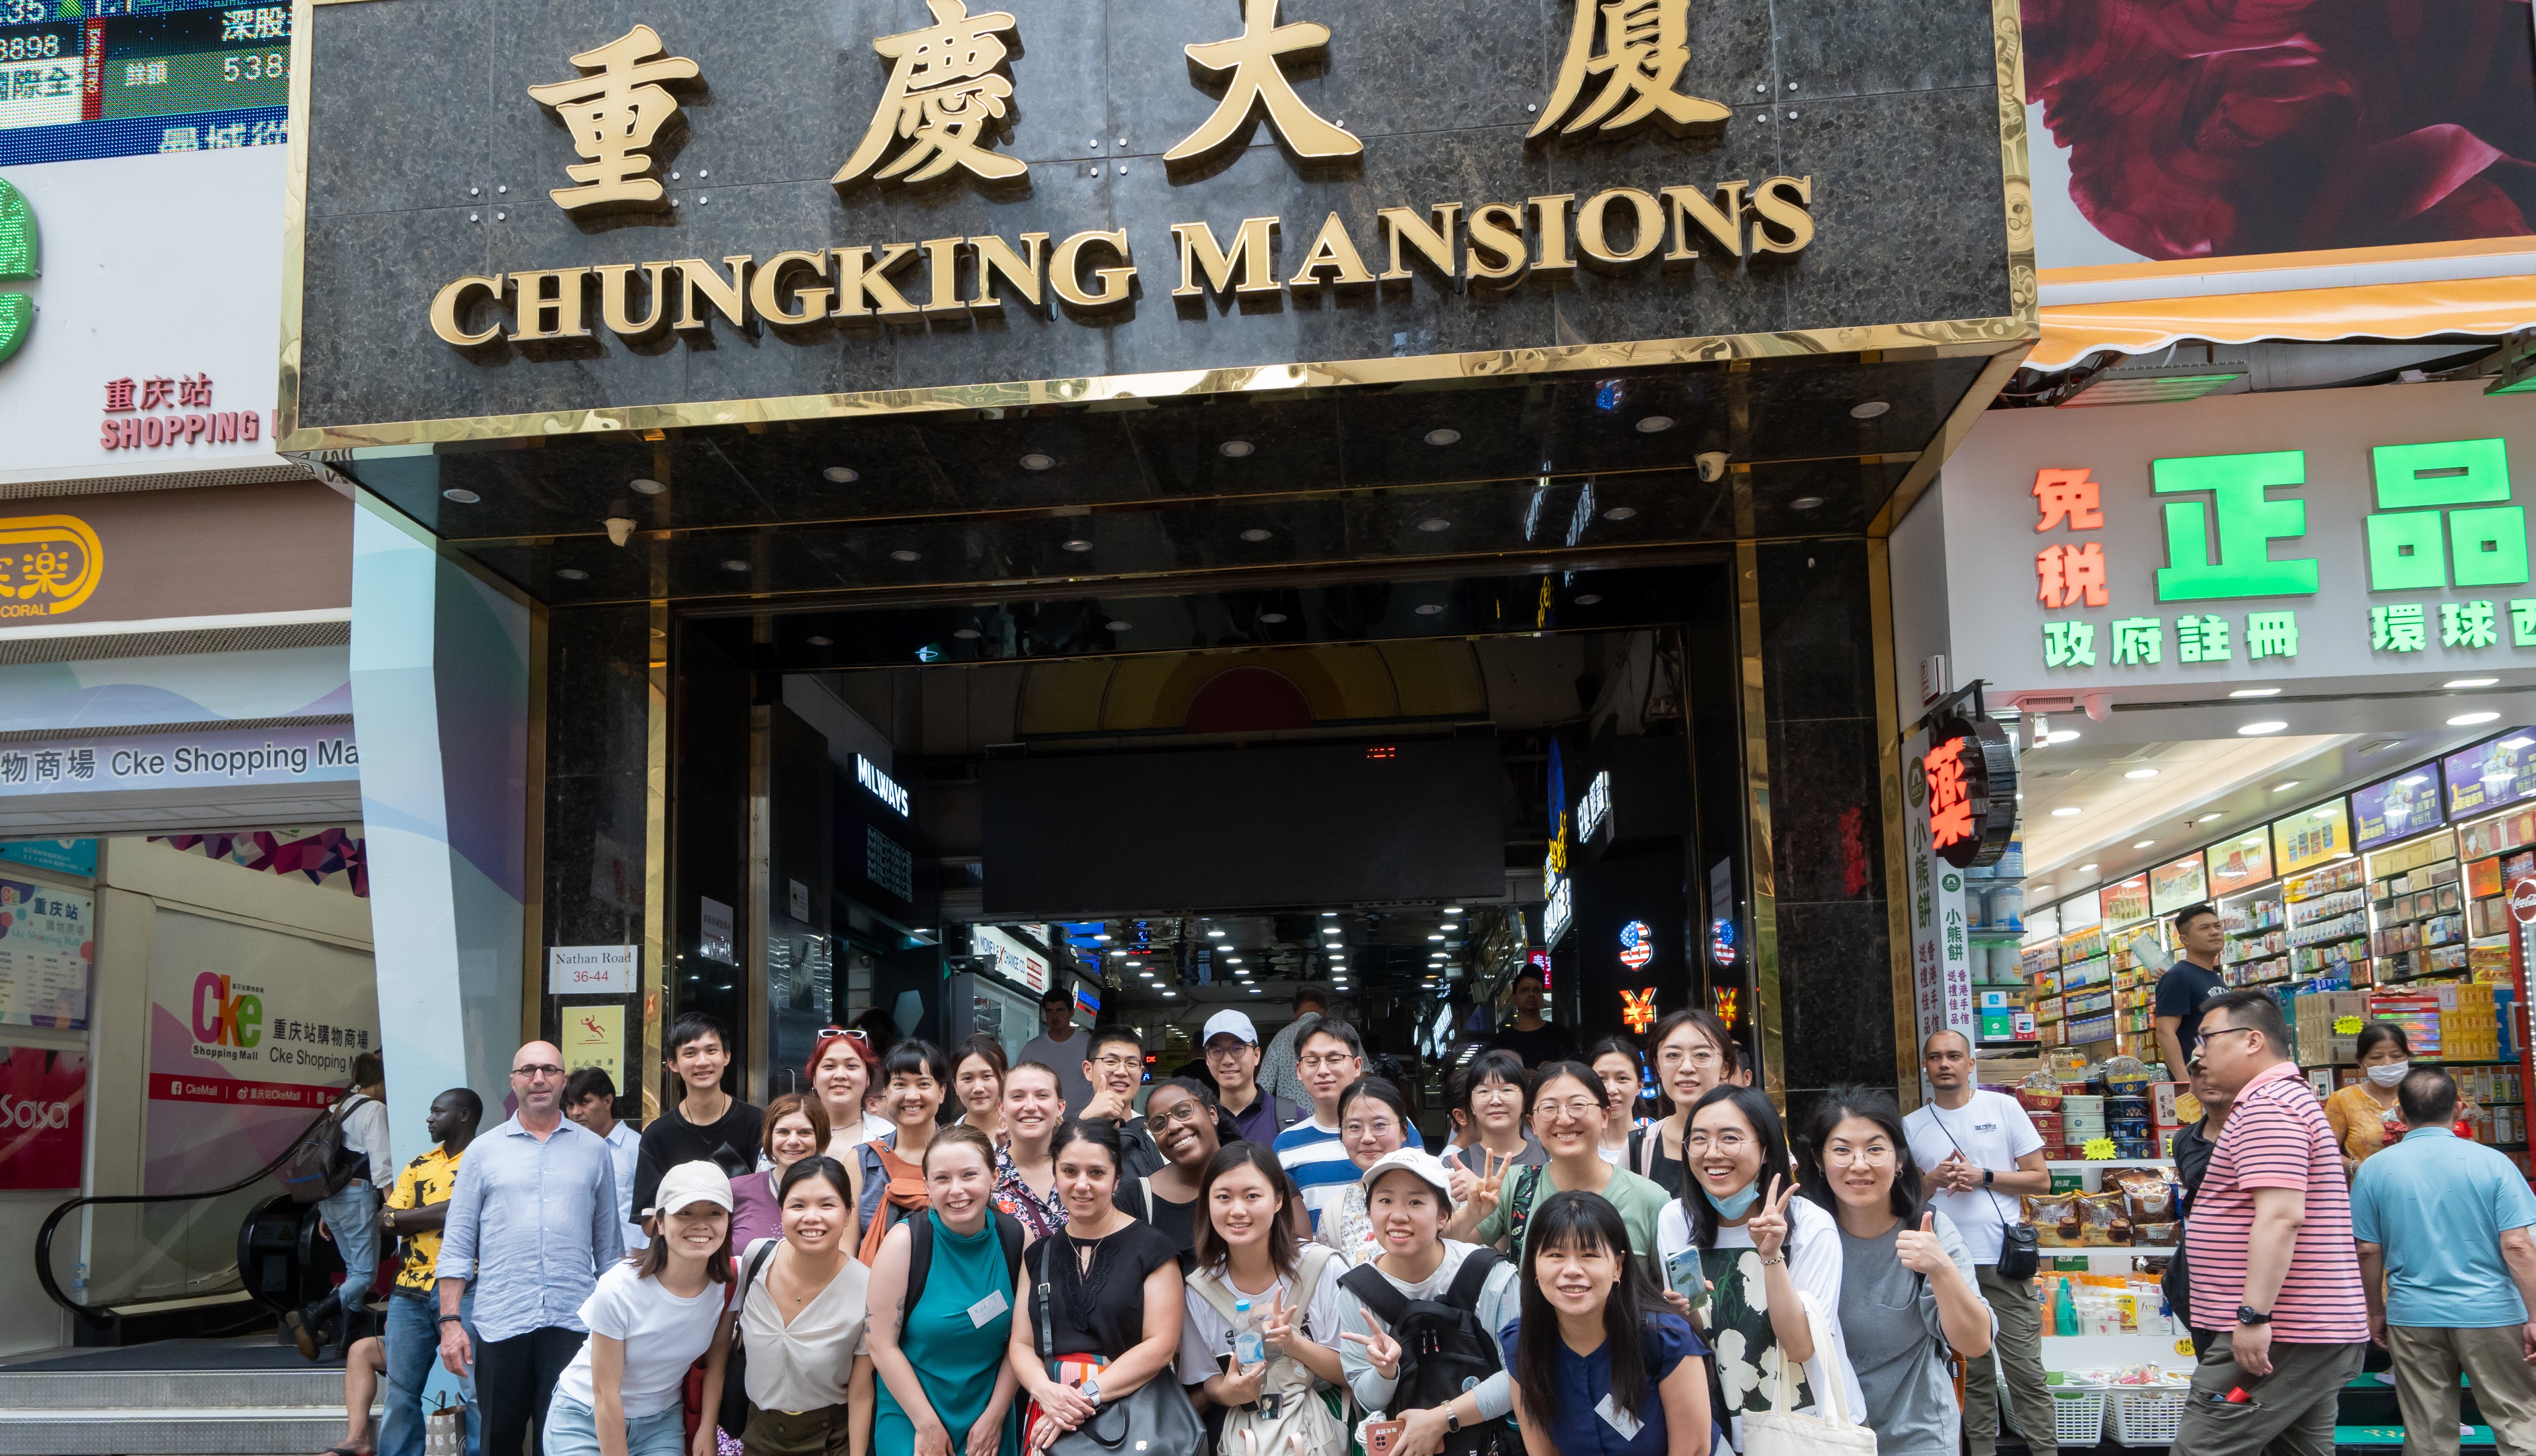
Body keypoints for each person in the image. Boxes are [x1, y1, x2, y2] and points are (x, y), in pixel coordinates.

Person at [2172, 989, 2368, 1456]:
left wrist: (2254, 1316)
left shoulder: (2269, 1107)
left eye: (2207, 1038)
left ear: (2253, 1040)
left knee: (2202, 1447)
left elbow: (2280, 1217)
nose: (2198, 1052)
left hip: (2284, 1330)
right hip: (2301, 1328)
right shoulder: (2277, 1100)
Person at [436, 1041, 626, 1456]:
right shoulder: (482, 1152)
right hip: (501, 1319)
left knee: (562, 1441)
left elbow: (610, 1250)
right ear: (513, 1081)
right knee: (498, 1440)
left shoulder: (594, 1150)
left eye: (548, 1070)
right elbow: (457, 1244)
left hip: (573, 1321)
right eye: (527, 1070)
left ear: (563, 1079)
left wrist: (621, 1325)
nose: (538, 1078)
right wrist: (450, 1323)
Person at [1654, 1084, 1860, 1452]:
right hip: (1720, 1427)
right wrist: (1681, 1312)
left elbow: (1801, 1346)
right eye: (1698, 1139)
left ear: (1766, 1150)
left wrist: (1770, 1255)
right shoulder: (1676, 1219)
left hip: (1807, 1428)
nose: (1712, 1153)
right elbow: (1700, 1335)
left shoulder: (1811, 1226)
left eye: (1730, 1138)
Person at [2352, 1067, 2536, 1456]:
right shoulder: (2495, 1163)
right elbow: (2518, 1246)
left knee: (2427, 1430)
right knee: (2517, 1419)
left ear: (2400, 1114)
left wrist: (2375, 1311)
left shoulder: (2374, 1170)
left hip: (2414, 1313)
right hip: (2493, 1313)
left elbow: (2367, 1249)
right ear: (2458, 1108)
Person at [1800, 1086, 1991, 1456]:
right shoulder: (1802, 1236)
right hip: (1824, 1438)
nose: (1859, 1164)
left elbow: (1976, 1342)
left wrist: (1941, 1268)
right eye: (1841, 1150)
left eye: (1875, 1148)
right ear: (1819, 1161)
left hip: (1917, 1438)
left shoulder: (1930, 1229)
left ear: (1900, 1158)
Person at [1900, 1027, 2053, 1456]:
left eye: (1953, 1056)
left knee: (2027, 1373)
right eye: (1935, 1057)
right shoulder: (1911, 1126)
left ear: (1971, 1064)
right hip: (1946, 1268)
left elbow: (2041, 1179)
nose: (1944, 1064)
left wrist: (1984, 1175)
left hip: (2002, 1261)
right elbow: (1905, 1199)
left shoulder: (2003, 1107)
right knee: (1974, 1374)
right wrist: (1931, 1180)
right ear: (1926, 1067)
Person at [1007, 1119, 1189, 1449]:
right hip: (1050, 1411)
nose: (1081, 1184)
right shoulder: (1039, 1253)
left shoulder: (1153, 1248)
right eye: (1070, 1171)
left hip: (1127, 1413)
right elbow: (1021, 1343)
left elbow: (1161, 1344)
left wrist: (1085, 1396)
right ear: (1055, 1174)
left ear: (1117, 1178)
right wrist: (1044, 1390)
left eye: (1096, 1172)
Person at [1335, 1147, 1525, 1455]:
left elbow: (1520, 1374)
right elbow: (1368, 1398)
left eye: (1415, 1202)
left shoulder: (1491, 1275)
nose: (1398, 1215)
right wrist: (1386, 1371)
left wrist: (1441, 1419)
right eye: (1385, 1201)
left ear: (1444, 1216)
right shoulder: (1359, 1291)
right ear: (1369, 1212)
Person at [543, 1160, 735, 1456]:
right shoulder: (619, 1288)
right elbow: (606, 1395)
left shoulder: (729, 1282)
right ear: (659, 1222)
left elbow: (717, 1363)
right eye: (685, 1212)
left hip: (661, 1424)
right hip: (585, 1418)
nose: (701, 1224)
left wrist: (707, 1430)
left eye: (714, 1213)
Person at [1505, 1189, 1714, 1456]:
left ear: (1618, 1266)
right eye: (1555, 1255)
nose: (1571, 1270)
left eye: (1589, 1255)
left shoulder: (1666, 1340)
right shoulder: (1521, 1342)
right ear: (1534, 1264)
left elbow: (1694, 1451)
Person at [868, 1124, 1027, 1456]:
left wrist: (996, 1417)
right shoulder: (906, 1242)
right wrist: (926, 1424)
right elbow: (881, 1344)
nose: (957, 1190)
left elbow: (1023, 1340)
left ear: (995, 1177)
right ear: (927, 1185)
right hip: (912, 1413)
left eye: (970, 1174)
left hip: (990, 1413)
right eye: (942, 1178)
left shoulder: (1017, 1238)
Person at [1181, 1142, 1350, 1450]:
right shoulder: (1200, 1289)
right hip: (1247, 1439)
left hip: (1321, 1429)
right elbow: (1208, 1380)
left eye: (1252, 1196)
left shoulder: (1322, 1267)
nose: (1237, 1210)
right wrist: (1229, 1393)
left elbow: (1351, 1370)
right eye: (1223, 1197)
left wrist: (1294, 1344)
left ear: (1278, 1200)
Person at [1450, 1061, 1670, 1276]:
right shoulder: (1515, 1186)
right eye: (1549, 1108)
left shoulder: (1650, 1200)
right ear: (1533, 1123)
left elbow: (1684, 1296)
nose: (1564, 1119)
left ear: (1605, 1116)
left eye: (1578, 1106)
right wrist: (1471, 1213)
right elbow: (1442, 1244)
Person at [736, 1155, 876, 1455]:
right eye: (798, 1205)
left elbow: (862, 1390)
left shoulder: (869, 1288)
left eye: (827, 1205)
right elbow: (723, 1345)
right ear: (781, 1211)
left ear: (849, 1213)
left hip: (831, 1438)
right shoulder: (756, 1258)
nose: (812, 1217)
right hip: (758, 1432)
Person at [378, 1087, 483, 1456]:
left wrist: (408, 1219)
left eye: (438, 1111)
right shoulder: (420, 1163)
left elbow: (464, 1210)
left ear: (465, 1115)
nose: (429, 1118)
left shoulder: (483, 1159)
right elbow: (384, 1220)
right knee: (401, 1391)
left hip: (467, 1286)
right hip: (409, 1290)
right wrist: (445, 1211)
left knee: (475, 1390)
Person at [291, 1050, 394, 1359]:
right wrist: (393, 1205)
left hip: (330, 1200)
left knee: (353, 1272)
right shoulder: (374, 1109)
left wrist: (326, 1210)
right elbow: (381, 1164)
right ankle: (315, 1315)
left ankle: (345, 1342)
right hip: (356, 1195)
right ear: (380, 1082)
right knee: (365, 1276)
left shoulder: (338, 1108)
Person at [632, 1013, 765, 1221]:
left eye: (711, 1051)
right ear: (673, 1064)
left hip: (745, 1250)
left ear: (727, 1056)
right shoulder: (657, 1135)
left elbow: (771, 1201)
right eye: (690, 1053)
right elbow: (648, 1220)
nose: (702, 1062)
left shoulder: (758, 1123)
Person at [1274, 1018, 1385, 1233]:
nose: (1323, 1070)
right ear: (1299, 1070)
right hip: (1316, 1265)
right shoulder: (1286, 1145)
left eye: (1335, 1059)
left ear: (1356, 1066)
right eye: (1312, 1061)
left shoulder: (1392, 1129)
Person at [2161, 1049, 2236, 1357]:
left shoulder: (2258, 1131)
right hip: (2203, 1265)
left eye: (2213, 1070)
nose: (2206, 1079)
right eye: (2197, 1073)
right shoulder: (2185, 1139)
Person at [851, 1038, 949, 1265]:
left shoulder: (964, 1158)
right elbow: (846, 1252)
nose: (912, 1096)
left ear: (942, 1092)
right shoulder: (861, 1160)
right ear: (886, 1091)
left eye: (923, 1084)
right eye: (900, 1084)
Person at [1627, 1010, 1739, 1196]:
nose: (1686, 1067)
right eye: (1673, 1055)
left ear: (1725, 1068)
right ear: (1658, 1067)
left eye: (1702, 1055)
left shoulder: (1757, 1134)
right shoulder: (1640, 1146)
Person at [1115, 1078, 1219, 1267]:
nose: (1173, 1127)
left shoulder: (1257, 1174)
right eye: (1159, 1124)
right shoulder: (1135, 1200)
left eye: (1184, 1112)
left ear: (1212, 1113)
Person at [729, 1093, 831, 1253]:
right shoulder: (737, 1190)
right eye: (783, 1132)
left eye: (804, 1133)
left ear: (821, 1138)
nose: (792, 1141)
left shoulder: (835, 1191)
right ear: (769, 1137)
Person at [1442, 1051, 1546, 1205]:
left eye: (1507, 1090)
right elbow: (1444, 1228)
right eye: (1484, 1091)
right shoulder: (1453, 1167)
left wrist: (1480, 1189)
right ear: (1471, 1105)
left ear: (1525, 1100)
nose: (1495, 1100)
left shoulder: (1550, 1158)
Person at [566, 1068, 647, 1251]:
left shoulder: (638, 1148)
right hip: (580, 1264)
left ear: (607, 1101)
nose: (576, 1112)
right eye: (570, 1105)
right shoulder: (567, 1152)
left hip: (627, 1265)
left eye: (585, 1103)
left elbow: (653, 1213)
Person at [1202, 1009, 1306, 1147]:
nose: (1227, 1060)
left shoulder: (1293, 1118)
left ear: (1256, 1055)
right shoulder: (1200, 1121)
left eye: (1238, 1049)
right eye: (1216, 1051)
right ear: (1207, 1060)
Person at [2325, 1021, 2415, 1176]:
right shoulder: (2344, 1099)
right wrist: (2357, 1168)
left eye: (2397, 1056)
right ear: (2361, 1063)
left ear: (2407, 1057)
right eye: (2377, 1057)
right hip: (2368, 1190)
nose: (2388, 1063)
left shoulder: (2423, 1095)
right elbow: (2326, 1151)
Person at [994, 1061, 1070, 1240]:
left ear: (1060, 1107)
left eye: (1042, 1096)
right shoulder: (984, 1176)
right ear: (1002, 1108)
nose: (1030, 1106)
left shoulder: (1084, 1170)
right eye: (1018, 1097)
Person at [2153, 901, 2228, 1078]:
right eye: (2205, 928)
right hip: (2199, 1080)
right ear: (2184, 939)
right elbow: (2165, 1033)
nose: (2215, 932)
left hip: (2223, 1075)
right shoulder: (2178, 977)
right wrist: (2185, 1082)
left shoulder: (2215, 977)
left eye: (2217, 926)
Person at [1081, 1026, 1164, 1177]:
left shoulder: (1157, 1136)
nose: (1121, 1071)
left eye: (1132, 1063)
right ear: (1088, 1070)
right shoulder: (1069, 1132)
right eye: (1111, 1061)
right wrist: (1086, 1123)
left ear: (1141, 1072)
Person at [809, 1027, 892, 1159]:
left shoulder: (890, 1137)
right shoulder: (790, 1134)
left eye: (852, 1066)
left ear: (868, 1079)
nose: (840, 1075)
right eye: (829, 1066)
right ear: (814, 1079)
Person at [1020, 985, 1097, 1113]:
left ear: (1071, 1012)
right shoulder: (1033, 1048)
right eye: (1049, 1011)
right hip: (1046, 1118)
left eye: (1060, 1010)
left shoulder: (1089, 1044)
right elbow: (1019, 1080)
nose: (1054, 1016)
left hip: (1085, 1119)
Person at [1488, 970, 1578, 1068]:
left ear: (1542, 998)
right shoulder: (1502, 1040)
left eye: (1537, 990)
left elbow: (1577, 1068)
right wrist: (1519, 1074)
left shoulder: (1561, 1034)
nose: (1531, 994)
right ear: (1514, 998)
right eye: (1525, 990)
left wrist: (1555, 1069)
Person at [1259, 988, 1330, 1108]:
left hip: (1290, 1119)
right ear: (1326, 1013)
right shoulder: (1339, 1035)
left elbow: (1264, 1086)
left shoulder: (1281, 1037)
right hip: (1332, 1117)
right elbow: (1362, 1075)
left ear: (1295, 1015)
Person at [1588, 1038, 1649, 1165]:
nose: (1611, 1089)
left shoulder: (1655, 1144)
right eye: (1602, 1079)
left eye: (1622, 1078)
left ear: (1639, 1086)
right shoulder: (1576, 1146)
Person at [953, 1036, 1010, 1146]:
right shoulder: (944, 1144)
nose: (978, 1088)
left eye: (987, 1076)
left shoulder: (1023, 1136)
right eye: (967, 1078)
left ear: (1004, 1079)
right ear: (955, 1086)